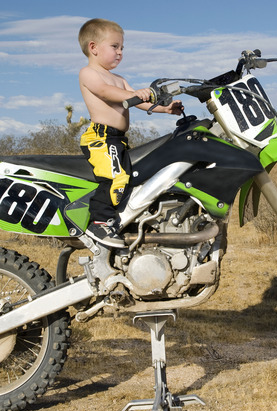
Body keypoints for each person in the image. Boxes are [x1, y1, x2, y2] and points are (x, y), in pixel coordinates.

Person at [77, 18, 183, 247]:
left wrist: (164, 109)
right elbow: (106, 93)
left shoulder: (120, 79)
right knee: (114, 177)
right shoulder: (89, 73)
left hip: (117, 139)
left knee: (131, 179)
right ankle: (98, 223)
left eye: (122, 48)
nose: (120, 52)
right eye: (114, 46)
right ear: (93, 48)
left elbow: (136, 100)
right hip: (101, 137)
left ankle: (121, 221)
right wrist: (136, 94)